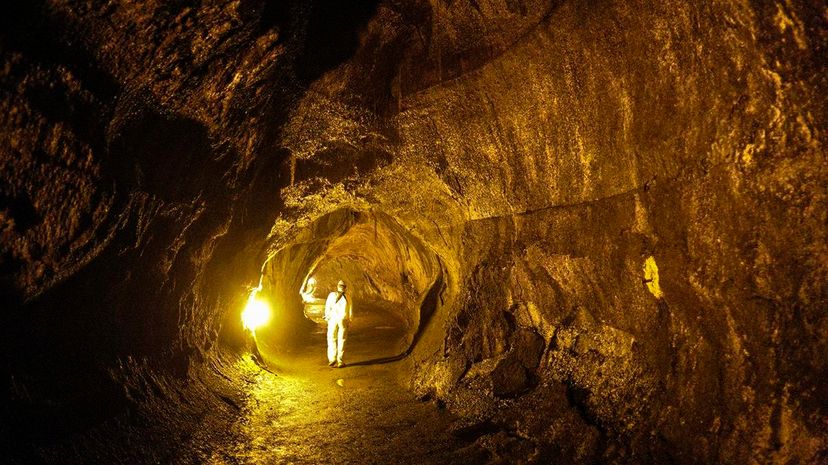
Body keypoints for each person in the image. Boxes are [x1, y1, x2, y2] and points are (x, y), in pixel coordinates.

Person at [325, 279, 352, 368]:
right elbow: (350, 310)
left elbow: (327, 306)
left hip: (333, 319)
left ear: (337, 286)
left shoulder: (332, 295)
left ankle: (332, 358)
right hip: (343, 319)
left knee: (331, 338)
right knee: (342, 339)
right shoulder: (348, 297)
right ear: (345, 288)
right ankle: (340, 360)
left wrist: (327, 316)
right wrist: (350, 319)